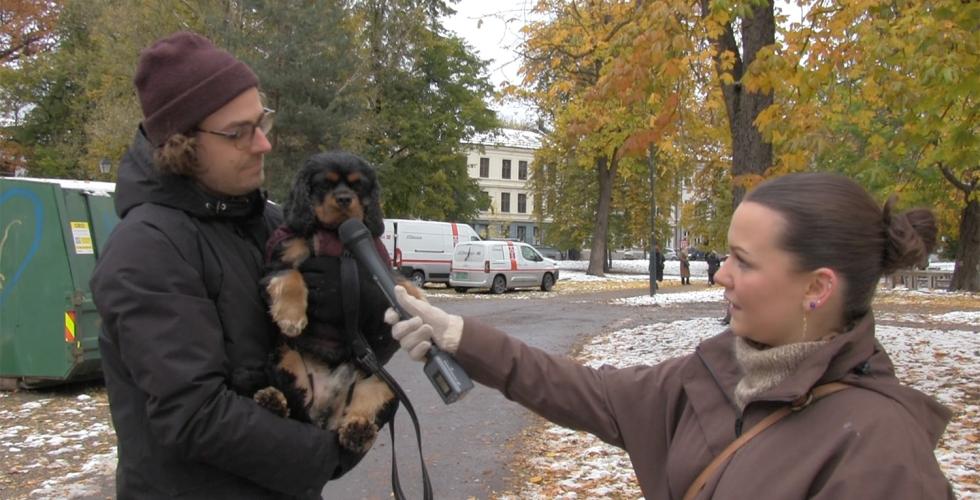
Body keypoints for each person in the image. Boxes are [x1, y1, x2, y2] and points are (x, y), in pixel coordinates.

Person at [387, 172, 954, 499]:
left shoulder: (883, 453)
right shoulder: (720, 369)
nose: (719, 274)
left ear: (817, 288)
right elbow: (591, 393)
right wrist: (459, 333)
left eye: (743, 261)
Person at [90, 32, 364, 499]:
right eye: (238, 132)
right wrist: (325, 453)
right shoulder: (145, 250)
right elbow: (195, 414)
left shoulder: (269, 223)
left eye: (262, 123)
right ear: (181, 144)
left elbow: (328, 342)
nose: (262, 144)